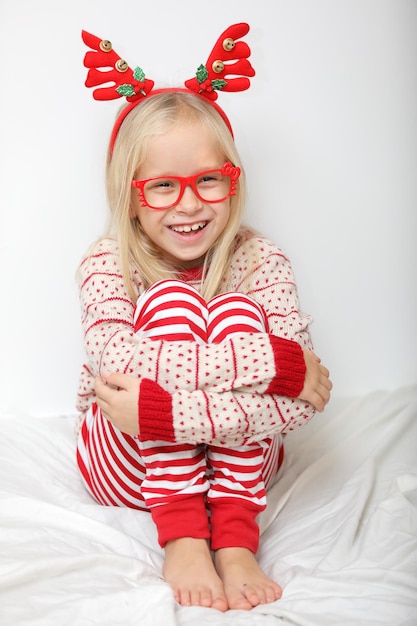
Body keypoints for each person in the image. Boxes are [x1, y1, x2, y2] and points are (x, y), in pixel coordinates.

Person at [76, 24, 332, 612]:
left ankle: (236, 538)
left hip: (230, 469)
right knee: (173, 301)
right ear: (130, 193)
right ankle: (186, 534)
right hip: (129, 451)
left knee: (235, 306)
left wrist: (172, 409)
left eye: (208, 180)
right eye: (163, 186)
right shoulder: (107, 262)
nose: (189, 204)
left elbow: (304, 402)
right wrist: (272, 361)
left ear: (232, 178)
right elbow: (116, 362)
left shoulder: (259, 260)